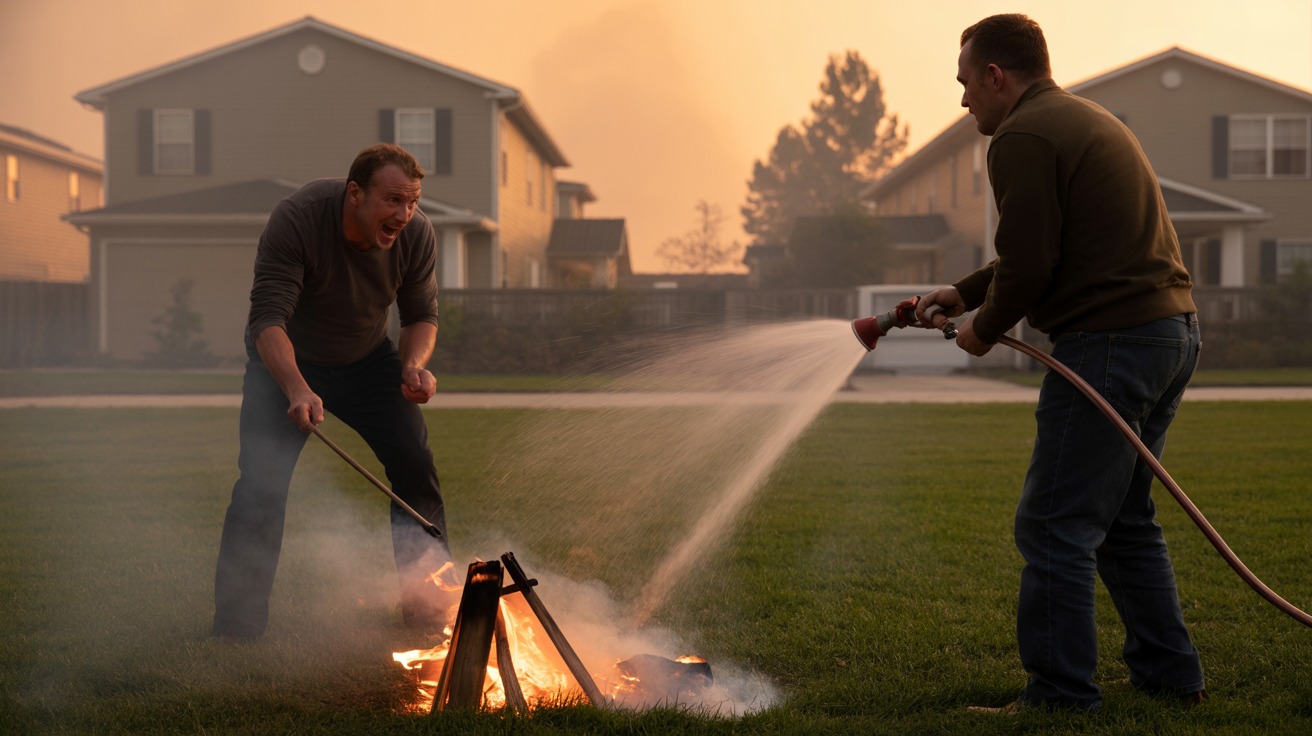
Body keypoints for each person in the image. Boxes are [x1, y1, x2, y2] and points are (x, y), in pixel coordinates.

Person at [915, 14, 1206, 711]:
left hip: (1110, 342)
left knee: (1053, 524)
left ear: (995, 76)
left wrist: (981, 330)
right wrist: (965, 291)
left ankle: (1059, 696)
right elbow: (1042, 248)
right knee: (1125, 521)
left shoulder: (1022, 135)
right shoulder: (1080, 119)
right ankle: (1170, 679)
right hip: (1168, 333)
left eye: (965, 84)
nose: (962, 102)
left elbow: (1032, 265)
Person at [213, 143, 453, 640]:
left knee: (414, 466)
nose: (404, 214)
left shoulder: (417, 234)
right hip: (284, 364)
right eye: (392, 200)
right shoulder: (299, 219)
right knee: (261, 486)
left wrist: (412, 366)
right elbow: (267, 319)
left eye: (411, 201)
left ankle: (430, 620)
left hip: (368, 360)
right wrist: (297, 388)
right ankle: (236, 630)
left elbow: (421, 315)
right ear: (354, 193)